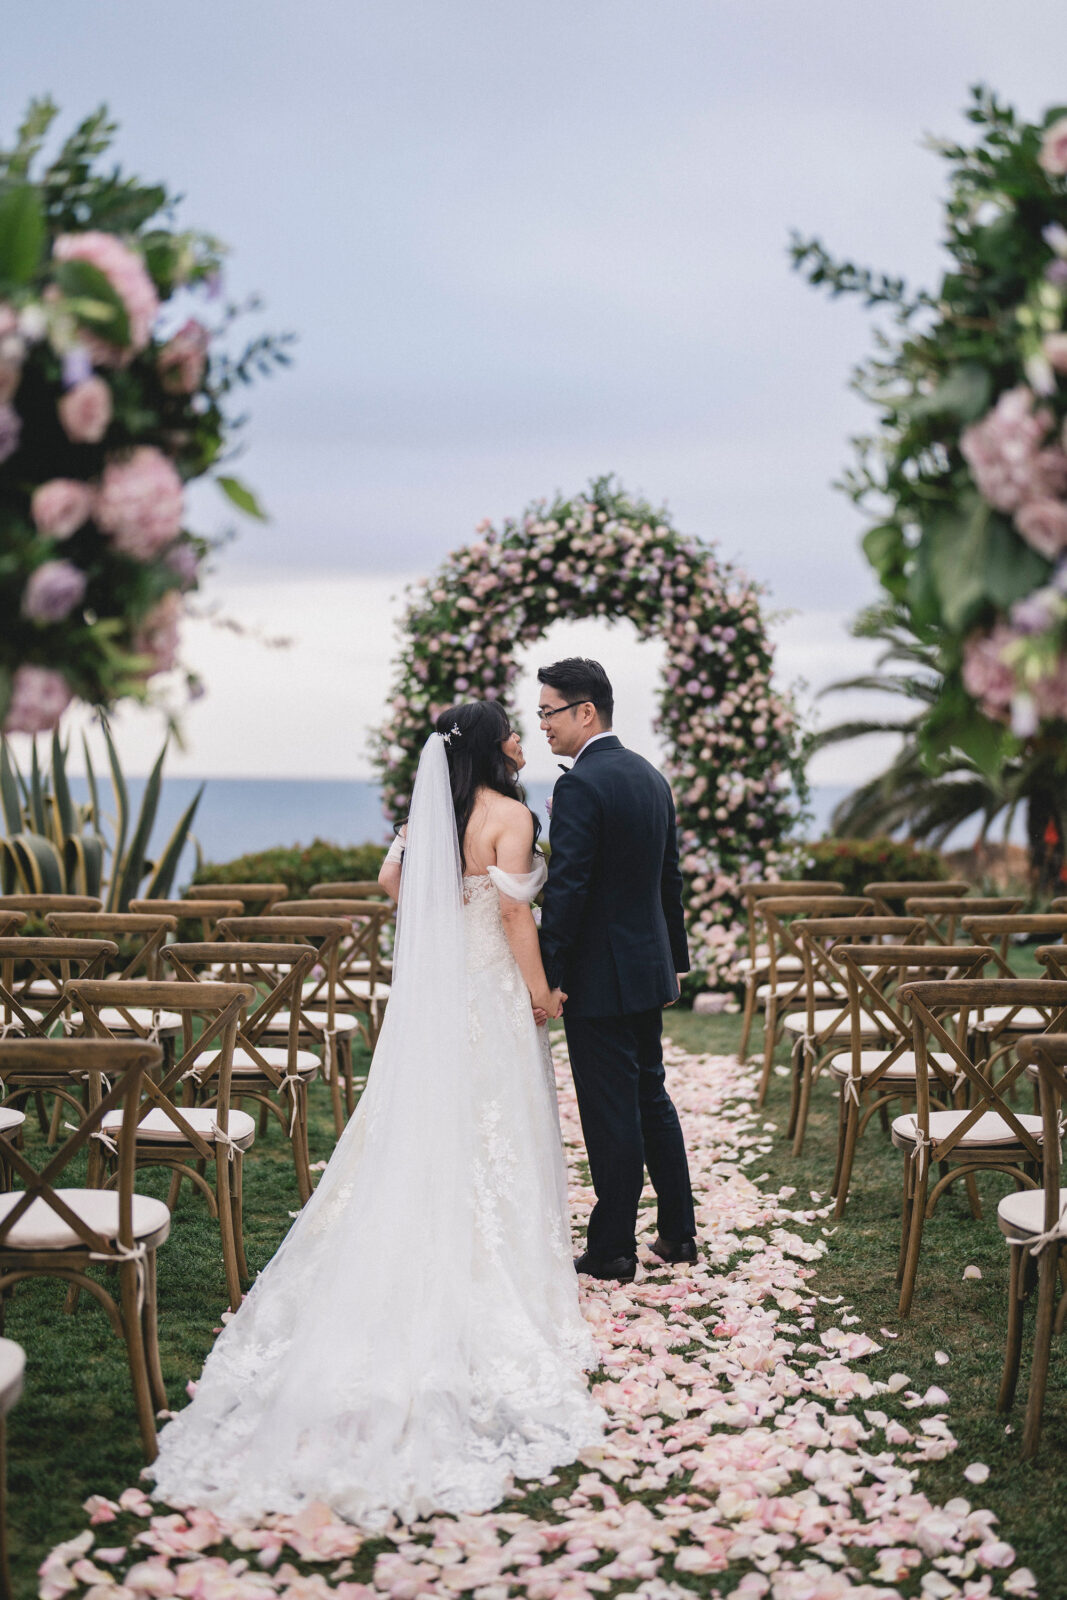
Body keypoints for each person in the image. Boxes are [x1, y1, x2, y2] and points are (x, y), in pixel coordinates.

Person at [149, 700, 603, 1528]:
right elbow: (511, 912)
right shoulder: (511, 815)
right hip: (492, 987)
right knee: (498, 1115)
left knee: (428, 1114)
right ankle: (497, 1253)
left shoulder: (431, 814)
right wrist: (540, 990)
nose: (519, 737)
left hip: (440, 995)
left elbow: (394, 884)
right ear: (490, 744)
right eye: (511, 726)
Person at [537, 657, 697, 1284]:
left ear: (585, 712)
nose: (542, 723)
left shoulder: (581, 784)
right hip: (645, 969)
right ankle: (679, 1234)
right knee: (649, 1098)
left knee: (611, 1112)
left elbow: (569, 888)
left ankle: (611, 1249)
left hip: (599, 979)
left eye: (550, 711)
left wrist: (549, 973)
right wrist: (674, 962)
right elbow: (669, 883)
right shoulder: (651, 777)